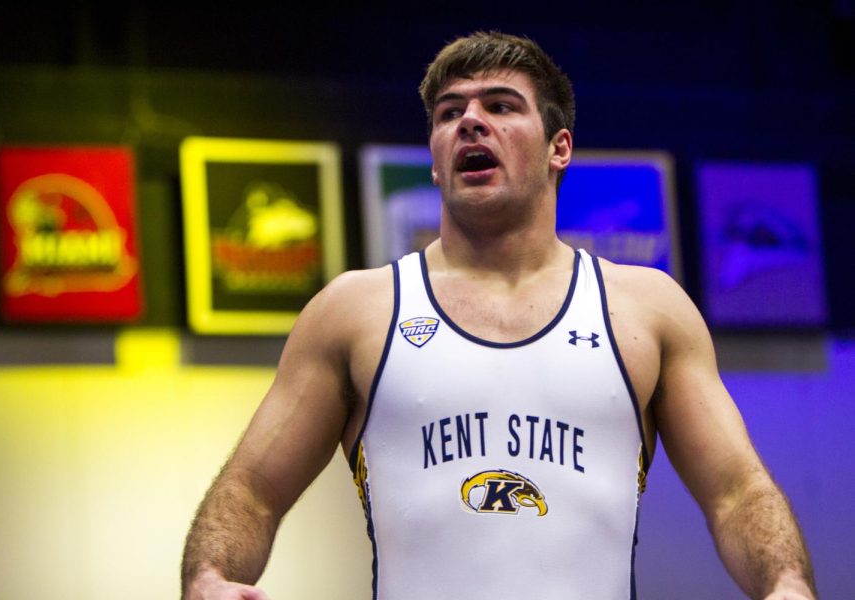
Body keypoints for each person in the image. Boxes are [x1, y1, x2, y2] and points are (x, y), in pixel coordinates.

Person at [181, 31, 816, 600]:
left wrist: (785, 582)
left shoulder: (645, 309)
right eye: (449, 113)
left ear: (558, 147)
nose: (470, 123)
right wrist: (208, 577)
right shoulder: (356, 312)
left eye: (501, 106)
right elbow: (251, 492)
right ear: (433, 159)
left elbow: (738, 492)